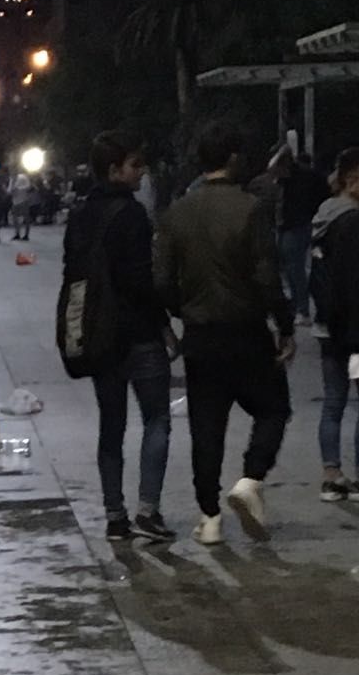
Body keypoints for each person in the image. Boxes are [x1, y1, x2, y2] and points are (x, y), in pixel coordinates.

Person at [155, 121, 295, 542]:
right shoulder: (252, 208)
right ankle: (250, 480)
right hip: (247, 331)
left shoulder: (176, 213)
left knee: (206, 427)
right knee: (273, 408)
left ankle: (209, 517)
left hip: (200, 334)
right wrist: (285, 326)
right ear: (233, 158)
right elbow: (267, 276)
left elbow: (161, 280)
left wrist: (181, 311)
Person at [63, 132, 175, 541]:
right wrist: (165, 325)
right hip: (139, 334)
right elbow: (142, 282)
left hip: (99, 337)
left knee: (111, 426)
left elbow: (72, 277)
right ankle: (149, 509)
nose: (141, 171)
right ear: (114, 170)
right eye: (134, 165)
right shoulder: (132, 215)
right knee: (157, 418)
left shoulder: (79, 216)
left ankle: (115, 516)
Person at [312, 146, 359, 499]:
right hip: (354, 330)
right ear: (351, 179)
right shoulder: (352, 221)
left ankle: (331, 474)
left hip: (327, 328)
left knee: (333, 401)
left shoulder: (323, 217)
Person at [276, 150, 329, 324]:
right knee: (291, 266)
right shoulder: (299, 177)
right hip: (292, 222)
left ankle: (301, 307)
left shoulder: (299, 178)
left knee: (294, 266)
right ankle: (299, 305)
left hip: (297, 223)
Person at [9, 173, 34, 240]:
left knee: (26, 217)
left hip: (23, 200)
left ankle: (26, 234)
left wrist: (19, 189)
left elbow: (29, 187)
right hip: (15, 201)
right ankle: (17, 233)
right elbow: (9, 190)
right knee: (15, 218)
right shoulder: (12, 179)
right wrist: (11, 191)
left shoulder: (23, 177)